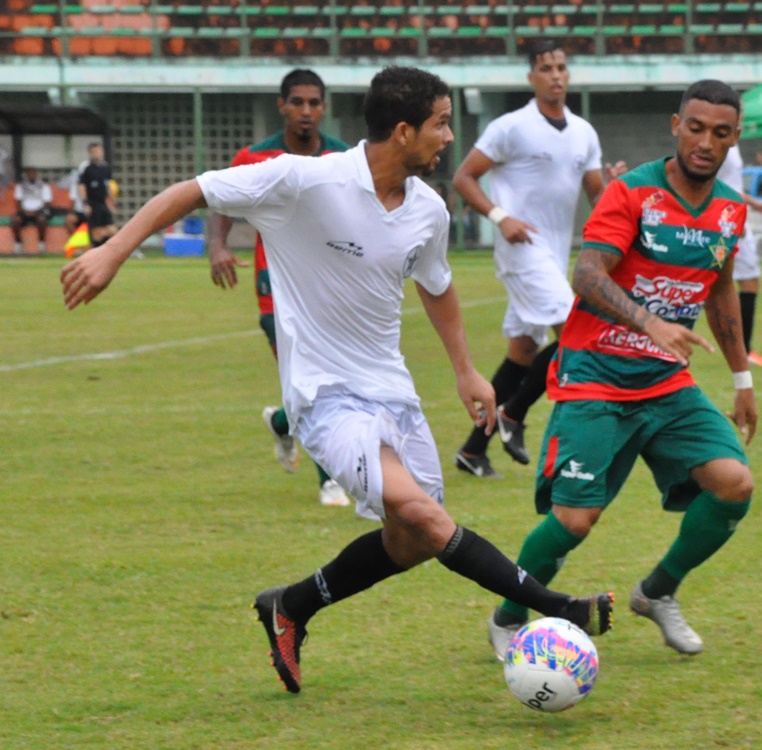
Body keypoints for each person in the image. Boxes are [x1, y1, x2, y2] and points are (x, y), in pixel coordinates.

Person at [61, 65, 614, 696]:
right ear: (403, 131)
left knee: (410, 541)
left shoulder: (427, 210)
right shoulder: (306, 179)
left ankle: (291, 605)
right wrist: (112, 251)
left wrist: (466, 372)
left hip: (393, 393)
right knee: (423, 515)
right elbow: (190, 191)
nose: (448, 138)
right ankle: (559, 608)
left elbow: (437, 286)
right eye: (439, 124)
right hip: (323, 396)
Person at [486, 79, 757, 661]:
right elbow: (586, 274)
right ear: (675, 125)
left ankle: (657, 592)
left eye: (721, 132)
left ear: (736, 137)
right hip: (595, 377)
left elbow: (722, 290)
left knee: (735, 485)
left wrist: (742, 379)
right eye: (696, 127)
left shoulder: (730, 210)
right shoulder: (632, 193)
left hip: (665, 383)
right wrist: (649, 322)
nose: (706, 141)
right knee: (575, 520)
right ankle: (508, 613)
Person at [452, 39, 626, 478]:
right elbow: (464, 177)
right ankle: (514, 414)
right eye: (546, 68)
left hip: (554, 253)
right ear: (532, 76)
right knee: (578, 331)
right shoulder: (511, 126)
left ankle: (474, 450)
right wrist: (499, 216)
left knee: (523, 354)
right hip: (521, 249)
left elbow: (596, 197)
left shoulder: (584, 132)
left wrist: (612, 188)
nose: (556, 75)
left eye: (562, 67)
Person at [205, 68, 356, 510]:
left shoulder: (341, 158)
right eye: (298, 102)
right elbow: (219, 203)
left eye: (314, 103)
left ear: (324, 108)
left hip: (327, 285)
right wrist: (216, 245)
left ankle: (283, 424)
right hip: (274, 286)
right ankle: (330, 481)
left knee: (323, 383)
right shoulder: (253, 157)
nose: (306, 111)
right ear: (282, 106)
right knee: (310, 382)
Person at [716, 143, 762, 368]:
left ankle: (743, 348)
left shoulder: (732, 144)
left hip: (732, 215)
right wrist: (741, 212)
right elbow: (720, 185)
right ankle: (744, 350)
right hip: (728, 218)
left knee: (742, 282)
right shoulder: (722, 146)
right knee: (745, 283)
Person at [78, 142, 119, 247]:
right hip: (92, 203)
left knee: (112, 228)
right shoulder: (86, 168)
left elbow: (109, 185)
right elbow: (82, 186)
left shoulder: (106, 167)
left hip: (103, 202)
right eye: (95, 151)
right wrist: (85, 203)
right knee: (96, 232)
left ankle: (111, 248)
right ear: (90, 153)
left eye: (99, 151)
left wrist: (112, 201)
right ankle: (96, 250)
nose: (97, 153)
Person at [11, 167, 52, 253]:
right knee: (15, 220)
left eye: (33, 173)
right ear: (26, 175)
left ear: (36, 175)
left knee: (42, 220)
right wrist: (24, 211)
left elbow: (47, 203)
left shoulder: (43, 185)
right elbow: (18, 202)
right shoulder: (21, 186)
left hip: (39, 210)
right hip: (24, 211)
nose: (31, 175)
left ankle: (41, 243)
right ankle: (18, 244)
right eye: (29, 173)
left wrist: (35, 211)